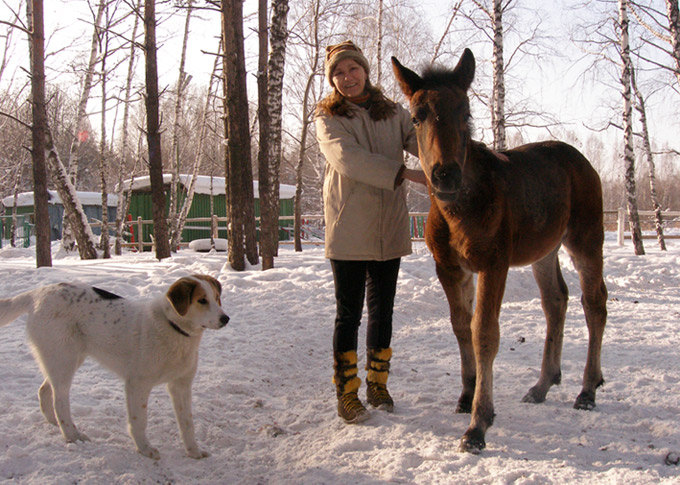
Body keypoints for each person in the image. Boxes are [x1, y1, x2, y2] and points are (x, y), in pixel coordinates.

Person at [315, 40, 426, 424]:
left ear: (365, 70)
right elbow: (349, 159)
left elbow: (426, 140)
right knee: (348, 315)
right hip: (349, 228)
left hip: (388, 226)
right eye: (339, 73)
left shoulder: (394, 113)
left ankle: (377, 383)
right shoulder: (328, 116)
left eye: (353, 70)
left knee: (383, 311)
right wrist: (407, 174)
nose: (347, 78)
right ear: (333, 80)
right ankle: (347, 393)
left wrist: (469, 154)